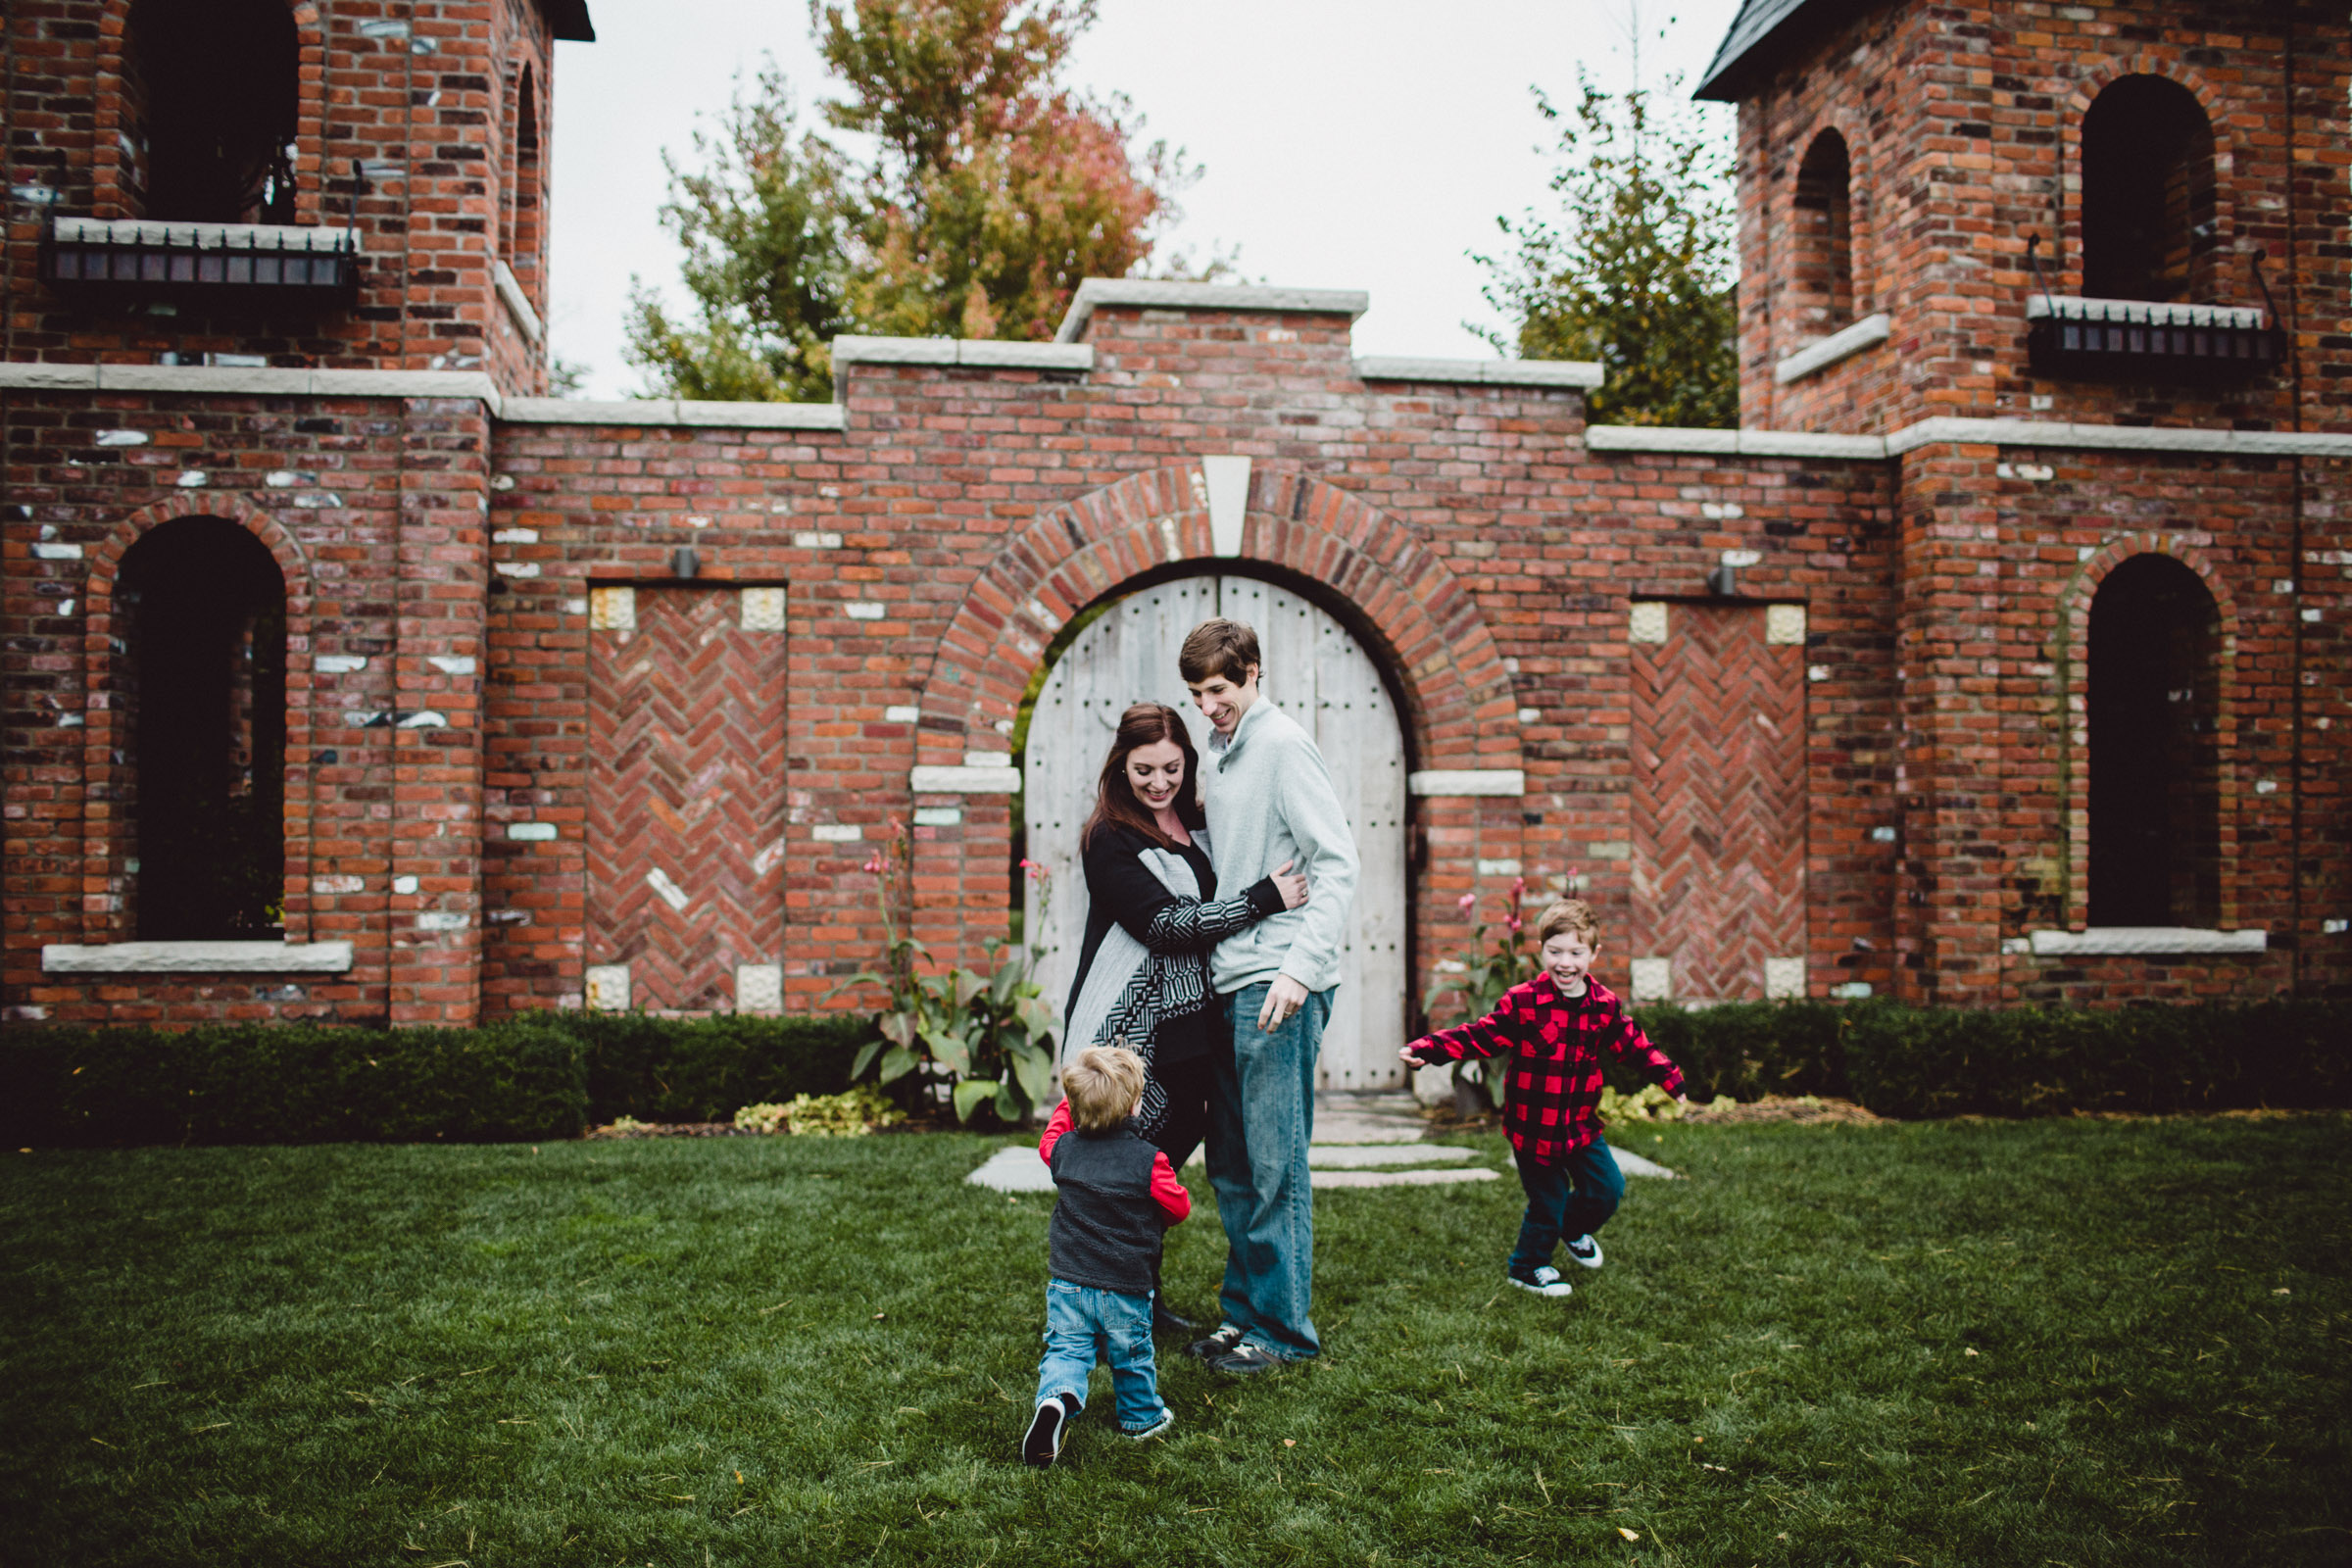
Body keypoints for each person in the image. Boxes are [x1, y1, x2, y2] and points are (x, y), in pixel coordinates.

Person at [1062, 701, 1307, 1330]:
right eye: (1144, 770)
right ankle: (1107, 1300)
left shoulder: (1199, 822)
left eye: (1172, 768)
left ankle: (1139, 1297)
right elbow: (1164, 926)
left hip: (1194, 1021)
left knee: (1164, 1160)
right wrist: (1264, 900)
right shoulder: (1109, 837)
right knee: (1125, 1170)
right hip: (1133, 1029)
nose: (1159, 783)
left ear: (1187, 763)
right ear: (1122, 766)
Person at [1180, 617, 1358, 1376]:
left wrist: (1299, 971)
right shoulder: (1223, 756)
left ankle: (1284, 1333)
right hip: (1230, 980)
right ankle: (1244, 1315)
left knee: (1275, 1164)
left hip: (1278, 986)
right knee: (1231, 1164)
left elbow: (1337, 864)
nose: (1207, 706)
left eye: (1217, 690)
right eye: (1195, 694)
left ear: (1252, 672)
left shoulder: (1282, 745)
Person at [1398, 899, 1692, 1298]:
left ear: (1594, 953)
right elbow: (1481, 1035)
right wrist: (1431, 1048)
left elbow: (1633, 1044)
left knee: (1607, 1189)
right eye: (1555, 952)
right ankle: (1527, 1265)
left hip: (1580, 1125)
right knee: (1547, 1201)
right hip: (1533, 1126)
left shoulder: (1603, 1006)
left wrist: (1669, 1076)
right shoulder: (1523, 1002)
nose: (1565, 962)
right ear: (1541, 951)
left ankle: (1572, 1229)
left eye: (1576, 952)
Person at [1021, 1046, 1191, 1466]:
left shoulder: (1063, 1151)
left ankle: (1055, 1402)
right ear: (1136, 1105)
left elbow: (1048, 1139)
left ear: (1074, 1104)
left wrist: (1070, 1103)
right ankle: (1142, 1419)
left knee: (1066, 1349)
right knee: (1131, 1355)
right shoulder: (1150, 1161)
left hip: (1069, 1280)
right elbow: (1178, 1207)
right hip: (1125, 1285)